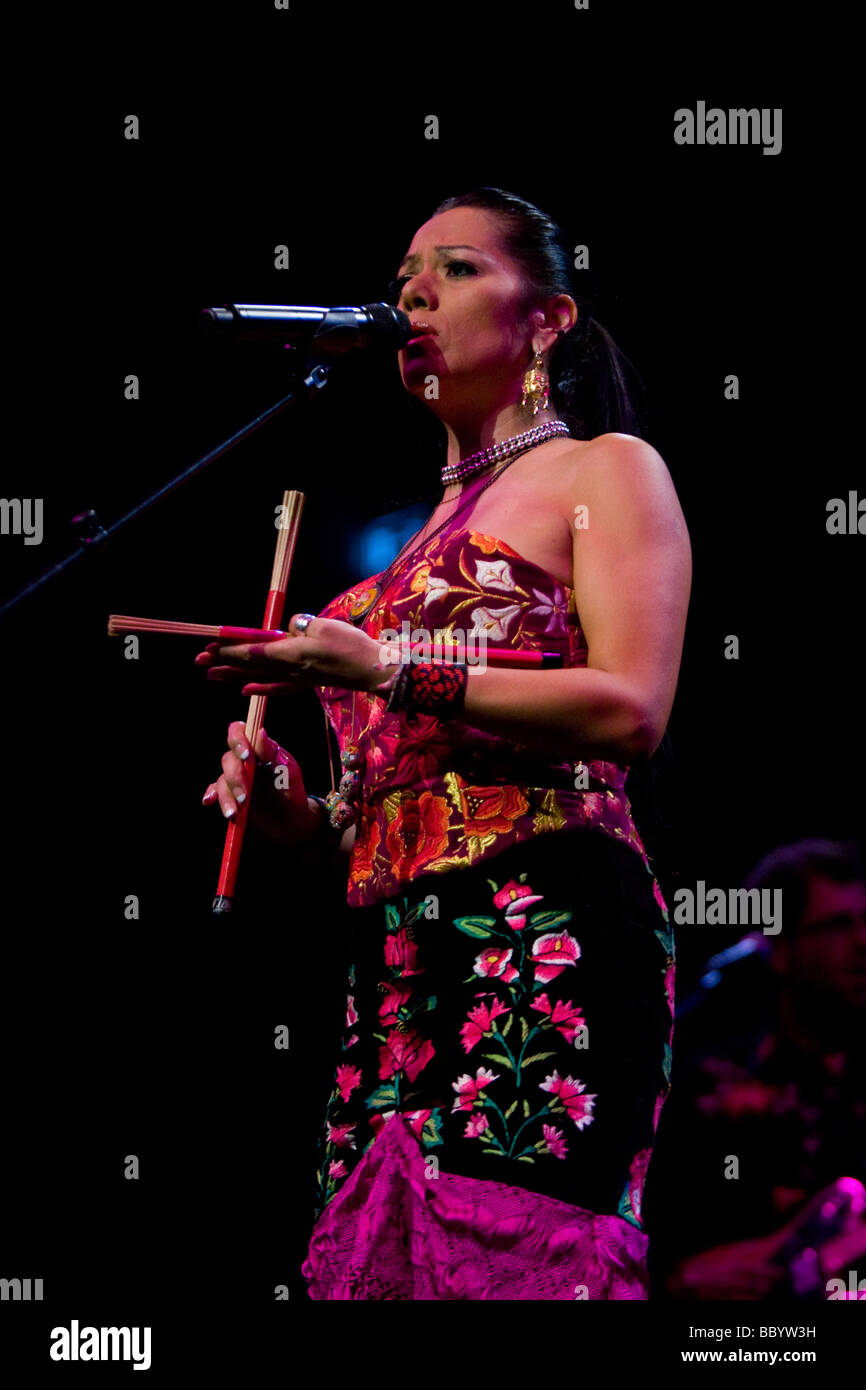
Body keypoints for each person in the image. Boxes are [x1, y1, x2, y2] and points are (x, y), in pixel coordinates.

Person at [196, 187, 692, 1299]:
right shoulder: (413, 538)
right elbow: (388, 789)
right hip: (388, 966)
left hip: (541, 925)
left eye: (457, 268)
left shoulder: (601, 471)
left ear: (547, 318)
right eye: (407, 274)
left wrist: (384, 667)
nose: (414, 291)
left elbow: (627, 705)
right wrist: (297, 812)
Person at [645, 839, 866, 1300]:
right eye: (836, 927)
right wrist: (679, 1275)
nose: (862, 942)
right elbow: (656, 1233)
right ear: (779, 949)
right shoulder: (709, 1086)